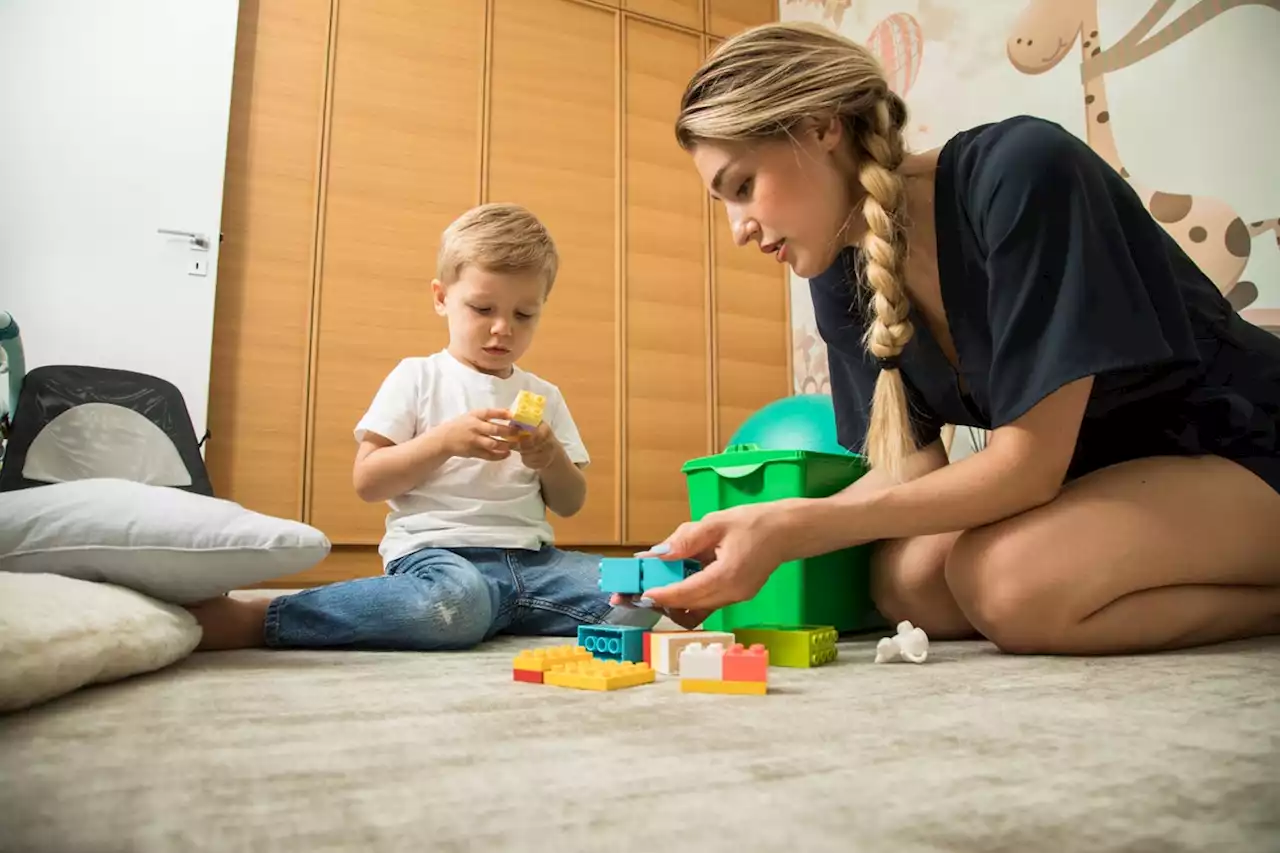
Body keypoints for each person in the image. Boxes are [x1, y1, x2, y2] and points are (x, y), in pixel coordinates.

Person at [630, 22, 1280, 655]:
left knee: (1009, 585)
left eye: (742, 187)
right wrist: (736, 536)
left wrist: (792, 528)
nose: (739, 227)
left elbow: (1028, 467)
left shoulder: (1022, 172)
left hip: (1239, 448)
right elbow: (907, 469)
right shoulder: (840, 268)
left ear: (822, 126)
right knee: (908, 583)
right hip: (1116, 476)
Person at [190, 203, 656, 650]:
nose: (502, 329)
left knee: (645, 596)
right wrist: (443, 442)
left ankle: (491, 614)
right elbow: (368, 481)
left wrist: (549, 456)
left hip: (534, 564)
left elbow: (570, 503)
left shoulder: (545, 395)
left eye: (523, 314)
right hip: (438, 556)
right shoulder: (418, 376)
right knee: (454, 601)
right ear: (441, 298)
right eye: (482, 309)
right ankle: (267, 617)